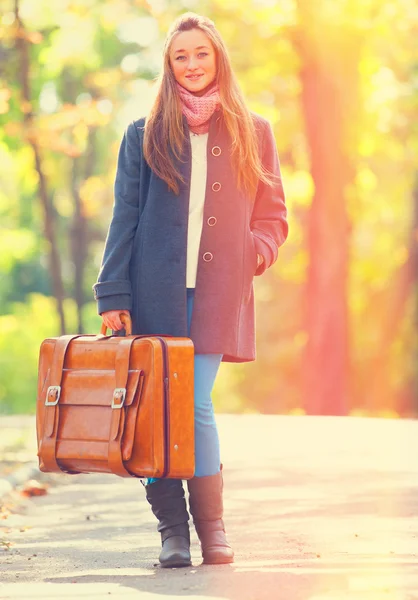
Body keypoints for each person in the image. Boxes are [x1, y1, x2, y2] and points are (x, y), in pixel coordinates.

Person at [93, 12, 288, 569]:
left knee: (195, 402)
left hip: (220, 293)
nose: (192, 64)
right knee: (157, 408)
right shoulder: (144, 133)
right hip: (153, 292)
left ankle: (213, 530)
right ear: (169, 65)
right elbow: (124, 218)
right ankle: (172, 532)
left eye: (201, 53)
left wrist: (256, 251)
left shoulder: (255, 131)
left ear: (217, 57)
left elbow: (273, 215)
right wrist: (114, 296)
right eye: (181, 56)